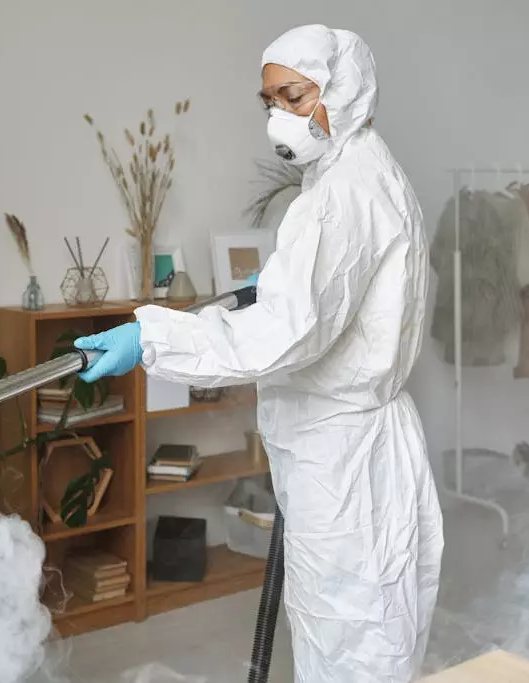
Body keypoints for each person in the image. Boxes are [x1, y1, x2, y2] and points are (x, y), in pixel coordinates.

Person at [75, 25, 443, 683]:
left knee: (348, 646)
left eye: (294, 96)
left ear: (345, 90)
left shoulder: (339, 196)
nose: (279, 117)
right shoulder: (365, 170)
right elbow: (337, 298)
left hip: (343, 463)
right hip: (354, 451)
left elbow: (285, 335)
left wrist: (151, 337)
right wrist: (274, 285)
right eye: (269, 100)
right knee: (360, 633)